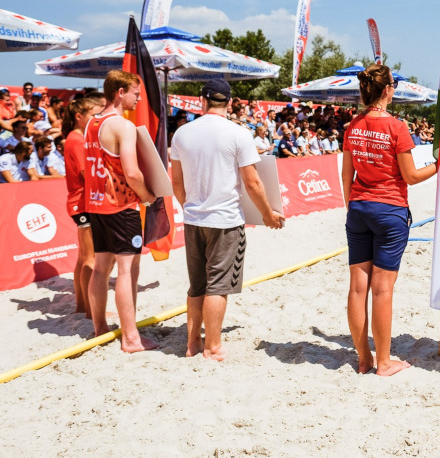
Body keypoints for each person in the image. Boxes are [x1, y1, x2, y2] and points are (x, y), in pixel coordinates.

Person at [171, 79, 285, 362]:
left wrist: (190, 207)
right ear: (230, 102)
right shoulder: (238, 134)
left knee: (197, 285)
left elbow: (177, 183)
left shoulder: (182, 134)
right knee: (218, 286)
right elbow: (252, 183)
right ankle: (213, 347)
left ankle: (192, 343)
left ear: (202, 100)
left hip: (194, 218)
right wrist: (267, 214)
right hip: (225, 220)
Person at [342, 64, 437, 376]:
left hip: (358, 208)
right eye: (393, 86)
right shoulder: (397, 128)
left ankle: (363, 359)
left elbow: (346, 176)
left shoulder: (353, 126)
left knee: (358, 288)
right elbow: (410, 176)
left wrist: (352, 208)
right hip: (389, 210)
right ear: (386, 90)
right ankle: (383, 362)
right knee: (382, 289)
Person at [84, 70, 157, 352]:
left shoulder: (91, 122)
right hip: (121, 205)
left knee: (101, 268)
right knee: (128, 271)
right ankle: (131, 338)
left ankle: (100, 328)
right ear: (120, 92)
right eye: (136, 94)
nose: (139, 99)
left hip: (96, 204)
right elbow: (132, 173)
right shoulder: (123, 126)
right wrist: (148, 196)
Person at [63, 93, 106, 318]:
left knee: (83, 257)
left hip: (79, 202)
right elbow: (85, 173)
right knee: (91, 258)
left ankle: (82, 305)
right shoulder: (78, 139)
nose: (97, 119)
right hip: (83, 202)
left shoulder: (74, 137)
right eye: (94, 114)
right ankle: (91, 311)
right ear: (79, 116)